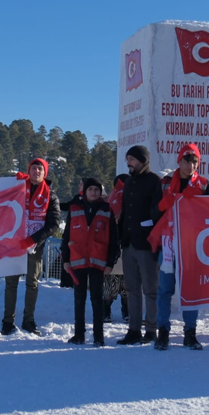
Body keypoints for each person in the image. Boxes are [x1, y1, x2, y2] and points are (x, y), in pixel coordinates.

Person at [151, 143, 209, 350]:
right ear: (179, 161)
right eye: (187, 160)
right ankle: (163, 332)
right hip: (168, 243)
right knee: (165, 289)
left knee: (190, 289)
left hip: (192, 244)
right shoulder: (165, 183)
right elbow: (154, 211)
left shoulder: (203, 184)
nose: (191, 165)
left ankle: (190, 333)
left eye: (195, 161)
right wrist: (164, 203)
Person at [1, 158, 60, 336]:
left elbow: (54, 223)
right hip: (14, 245)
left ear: (45, 172)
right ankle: (7, 321)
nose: (36, 172)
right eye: (33, 168)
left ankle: (28, 320)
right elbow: (0, 202)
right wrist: (12, 181)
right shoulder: (17, 187)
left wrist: (34, 239)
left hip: (35, 246)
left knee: (32, 284)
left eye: (40, 169)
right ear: (29, 170)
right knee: (11, 283)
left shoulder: (51, 195)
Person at [61, 177, 119, 346]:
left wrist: (110, 262)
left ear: (101, 192)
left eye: (96, 189)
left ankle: (98, 336)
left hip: (97, 262)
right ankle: (79, 334)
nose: (93, 192)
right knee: (79, 299)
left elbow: (114, 239)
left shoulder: (107, 210)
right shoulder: (74, 209)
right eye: (90, 189)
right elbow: (67, 236)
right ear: (84, 191)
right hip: (77, 260)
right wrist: (65, 259)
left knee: (96, 299)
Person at [117, 145, 162, 345]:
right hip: (129, 244)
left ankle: (151, 329)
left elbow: (158, 212)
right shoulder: (128, 183)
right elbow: (125, 211)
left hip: (147, 244)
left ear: (143, 160)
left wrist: (148, 229)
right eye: (128, 159)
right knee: (132, 289)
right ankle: (133, 329)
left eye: (132, 159)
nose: (129, 163)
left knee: (150, 289)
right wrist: (121, 235)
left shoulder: (154, 182)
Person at [103, 174, 129, 323]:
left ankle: (126, 310)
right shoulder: (112, 202)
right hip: (114, 246)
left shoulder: (116, 200)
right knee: (110, 284)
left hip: (126, 245)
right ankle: (106, 310)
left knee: (126, 284)